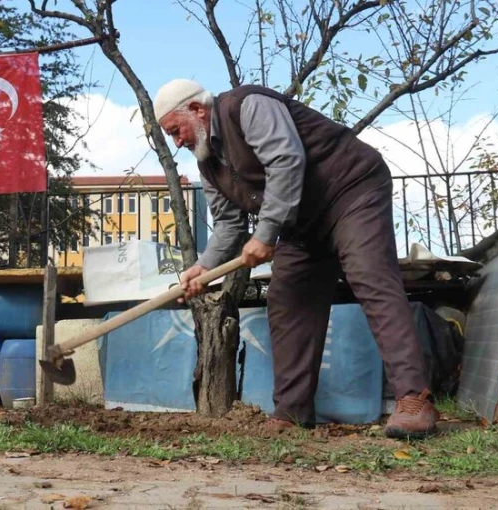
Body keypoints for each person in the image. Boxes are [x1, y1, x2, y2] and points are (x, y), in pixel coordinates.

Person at [153, 78, 439, 439]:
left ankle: (415, 399)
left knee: (370, 278)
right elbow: (228, 225)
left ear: (197, 110)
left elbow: (286, 160)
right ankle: (292, 412)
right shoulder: (210, 166)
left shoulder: (247, 105)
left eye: (175, 130)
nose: (177, 142)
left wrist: (265, 233)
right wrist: (204, 267)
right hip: (301, 222)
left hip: (349, 191)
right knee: (287, 299)